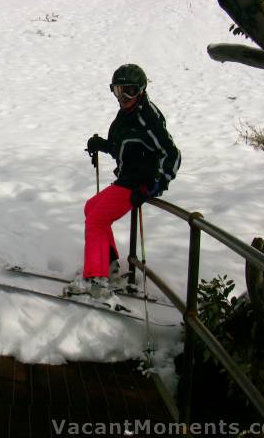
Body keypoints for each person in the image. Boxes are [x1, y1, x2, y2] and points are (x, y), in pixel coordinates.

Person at [67, 64, 181, 297]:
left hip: (137, 183)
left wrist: (153, 186)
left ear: (140, 90)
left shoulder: (147, 118)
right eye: (118, 91)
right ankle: (109, 266)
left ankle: (96, 279)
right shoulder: (129, 113)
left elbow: (172, 155)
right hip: (127, 178)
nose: (123, 97)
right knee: (92, 208)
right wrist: (103, 145)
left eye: (128, 91)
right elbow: (125, 146)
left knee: (97, 220)